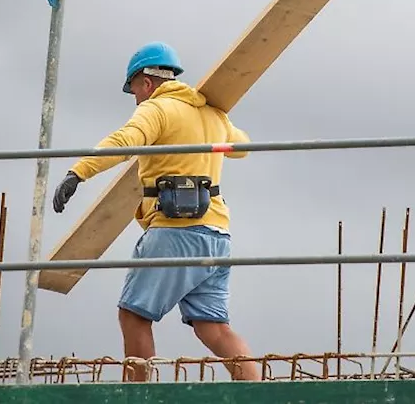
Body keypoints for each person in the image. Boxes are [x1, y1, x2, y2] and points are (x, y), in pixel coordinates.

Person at [52, 41, 261, 382]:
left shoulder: (157, 108)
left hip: (174, 231)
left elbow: (125, 141)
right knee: (213, 327)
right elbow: (243, 148)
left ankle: (140, 397)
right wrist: (212, 122)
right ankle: (258, 394)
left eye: (133, 89)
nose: (134, 98)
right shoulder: (211, 113)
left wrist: (79, 172)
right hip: (216, 235)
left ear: (146, 83)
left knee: (133, 315)